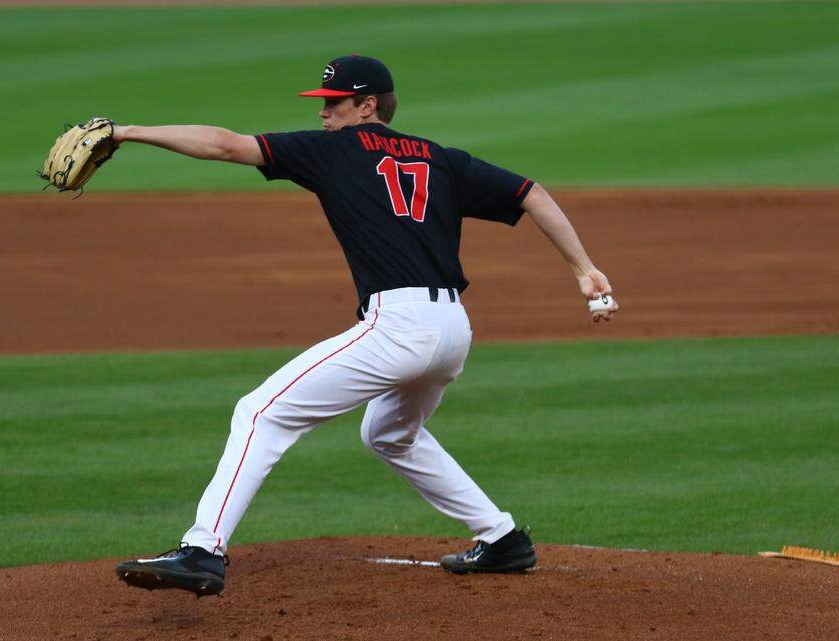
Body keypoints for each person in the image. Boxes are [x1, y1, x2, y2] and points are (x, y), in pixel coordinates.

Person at [112, 55, 617, 597]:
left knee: (259, 412)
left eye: (334, 103)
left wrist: (127, 132)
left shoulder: (332, 151)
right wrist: (584, 270)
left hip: (399, 327)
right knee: (389, 434)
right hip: (452, 331)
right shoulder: (439, 158)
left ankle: (202, 550)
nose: (324, 113)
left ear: (367, 105)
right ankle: (501, 539)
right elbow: (531, 194)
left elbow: (224, 143)